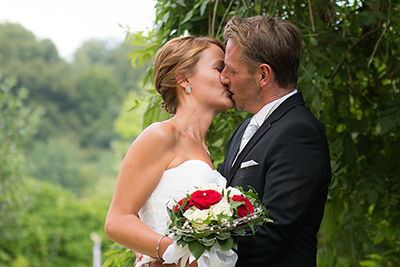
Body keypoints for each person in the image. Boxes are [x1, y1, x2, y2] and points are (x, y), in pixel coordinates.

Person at [105, 36, 234, 267]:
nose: (227, 76)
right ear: (184, 79)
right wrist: (176, 253)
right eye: (218, 68)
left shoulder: (203, 151)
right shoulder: (161, 136)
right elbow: (117, 221)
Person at [219, 16, 332, 266]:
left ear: (263, 75)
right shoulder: (244, 129)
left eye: (232, 70)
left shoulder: (299, 133)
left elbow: (271, 232)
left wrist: (195, 258)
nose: (224, 78)